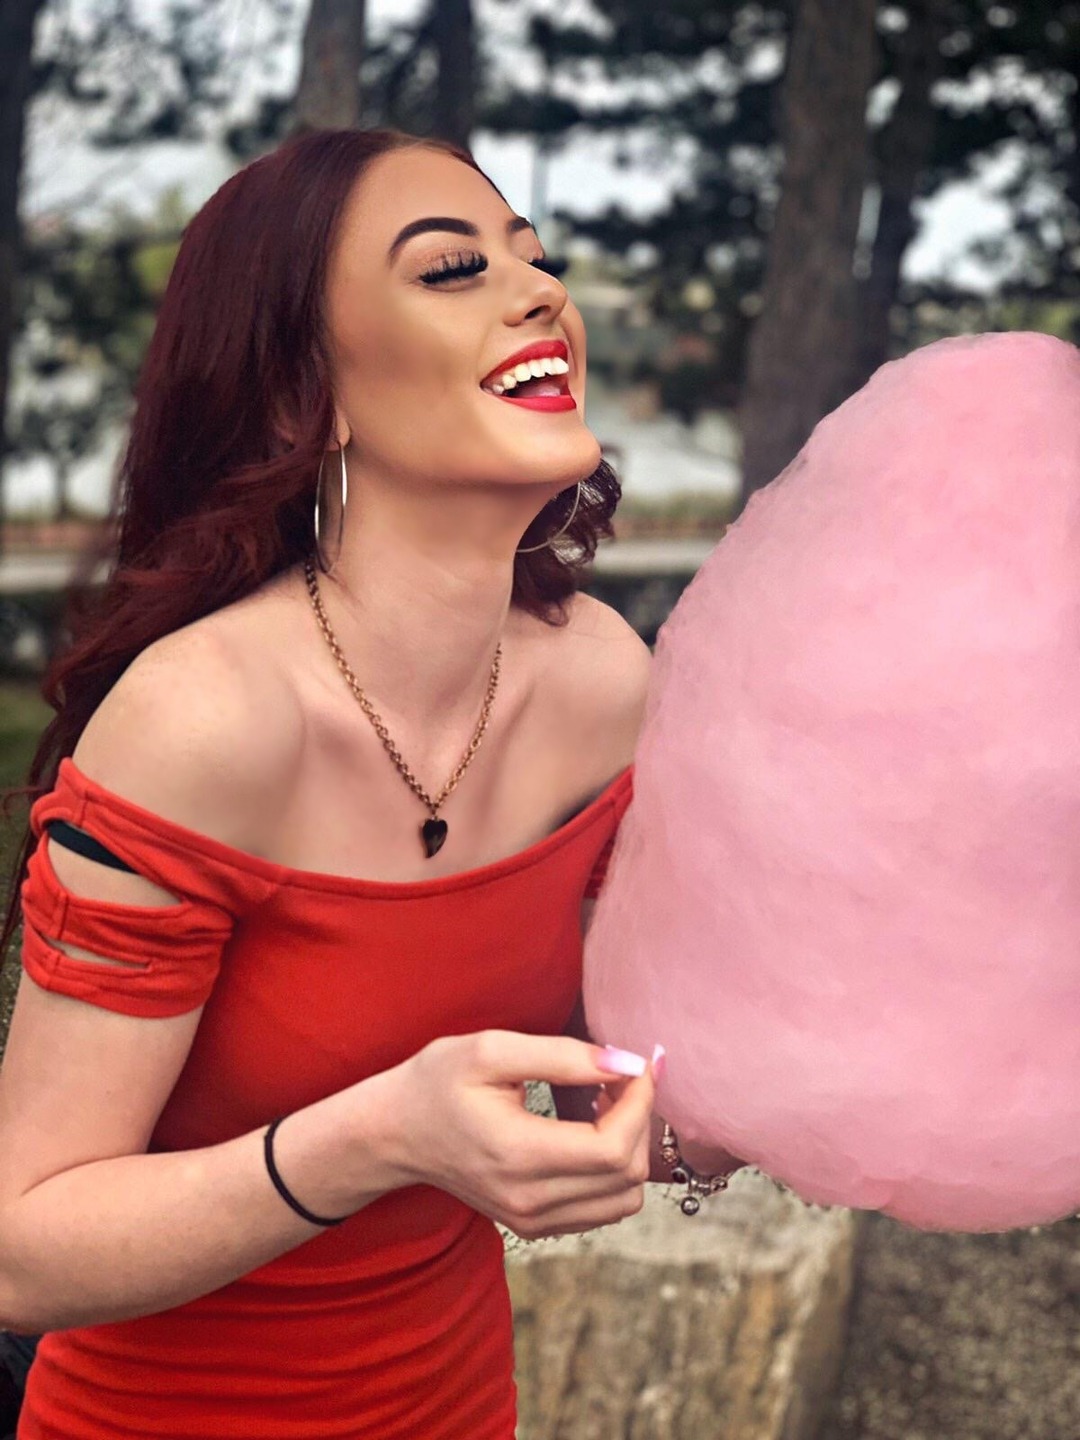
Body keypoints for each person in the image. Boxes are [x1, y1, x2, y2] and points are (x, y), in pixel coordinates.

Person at [0, 128, 736, 1438]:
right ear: (307, 394)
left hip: (459, 1407)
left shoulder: (602, 681)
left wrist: (739, 1110)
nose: (540, 292)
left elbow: (604, 1090)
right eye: (452, 269)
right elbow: (24, 1249)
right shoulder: (205, 719)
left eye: (538, 259)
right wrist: (379, 1137)